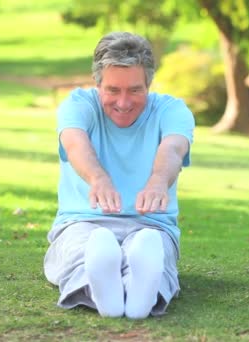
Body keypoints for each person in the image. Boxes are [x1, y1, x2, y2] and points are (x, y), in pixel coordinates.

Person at [43, 32, 195, 319]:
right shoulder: (77, 105)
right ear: (97, 84)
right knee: (80, 255)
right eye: (113, 90)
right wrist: (99, 179)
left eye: (135, 90)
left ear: (149, 84)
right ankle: (124, 292)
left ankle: (123, 293)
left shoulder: (172, 110)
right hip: (83, 221)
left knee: (154, 255)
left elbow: (173, 149)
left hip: (150, 225)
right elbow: (75, 143)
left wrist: (158, 182)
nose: (124, 102)